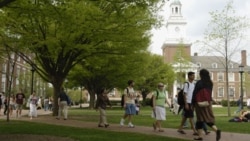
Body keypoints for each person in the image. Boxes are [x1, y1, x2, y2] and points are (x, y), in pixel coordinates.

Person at [192, 69, 221, 141]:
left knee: (200, 119)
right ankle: (201, 136)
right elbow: (209, 93)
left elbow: (195, 93)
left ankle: (215, 130)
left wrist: (193, 103)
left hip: (199, 104)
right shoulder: (210, 82)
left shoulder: (199, 83)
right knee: (206, 118)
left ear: (201, 75)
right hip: (208, 103)